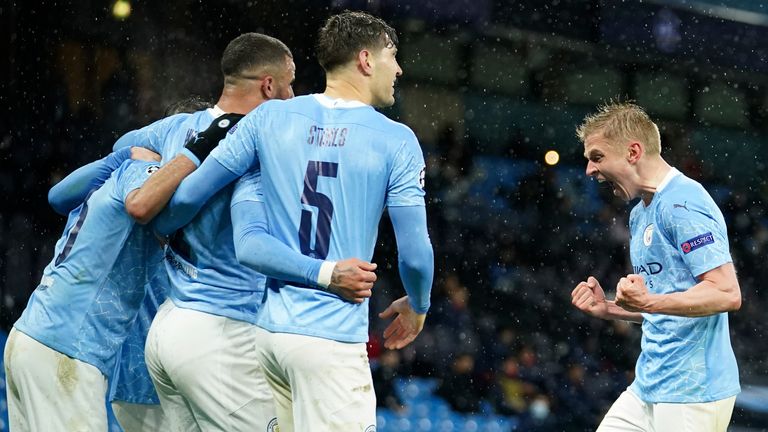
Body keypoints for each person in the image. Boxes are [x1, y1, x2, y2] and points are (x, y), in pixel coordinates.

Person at [151, 10, 435, 431]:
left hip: (270, 334)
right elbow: (414, 253)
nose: (399, 68)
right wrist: (419, 305)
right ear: (365, 60)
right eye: (392, 55)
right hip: (331, 338)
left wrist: (161, 225)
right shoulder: (396, 138)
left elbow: (190, 195)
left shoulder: (268, 119)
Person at [571, 101, 741, 431]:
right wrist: (613, 309)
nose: (589, 170)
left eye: (597, 157)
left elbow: (726, 294)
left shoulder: (683, 203)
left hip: (693, 393)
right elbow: (668, 301)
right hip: (649, 384)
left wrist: (648, 302)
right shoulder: (640, 213)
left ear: (633, 152)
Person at [3, 148, 164, 431]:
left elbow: (56, 196)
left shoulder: (112, 175)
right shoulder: (144, 176)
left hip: (32, 333)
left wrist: (120, 155)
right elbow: (145, 208)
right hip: (67, 349)